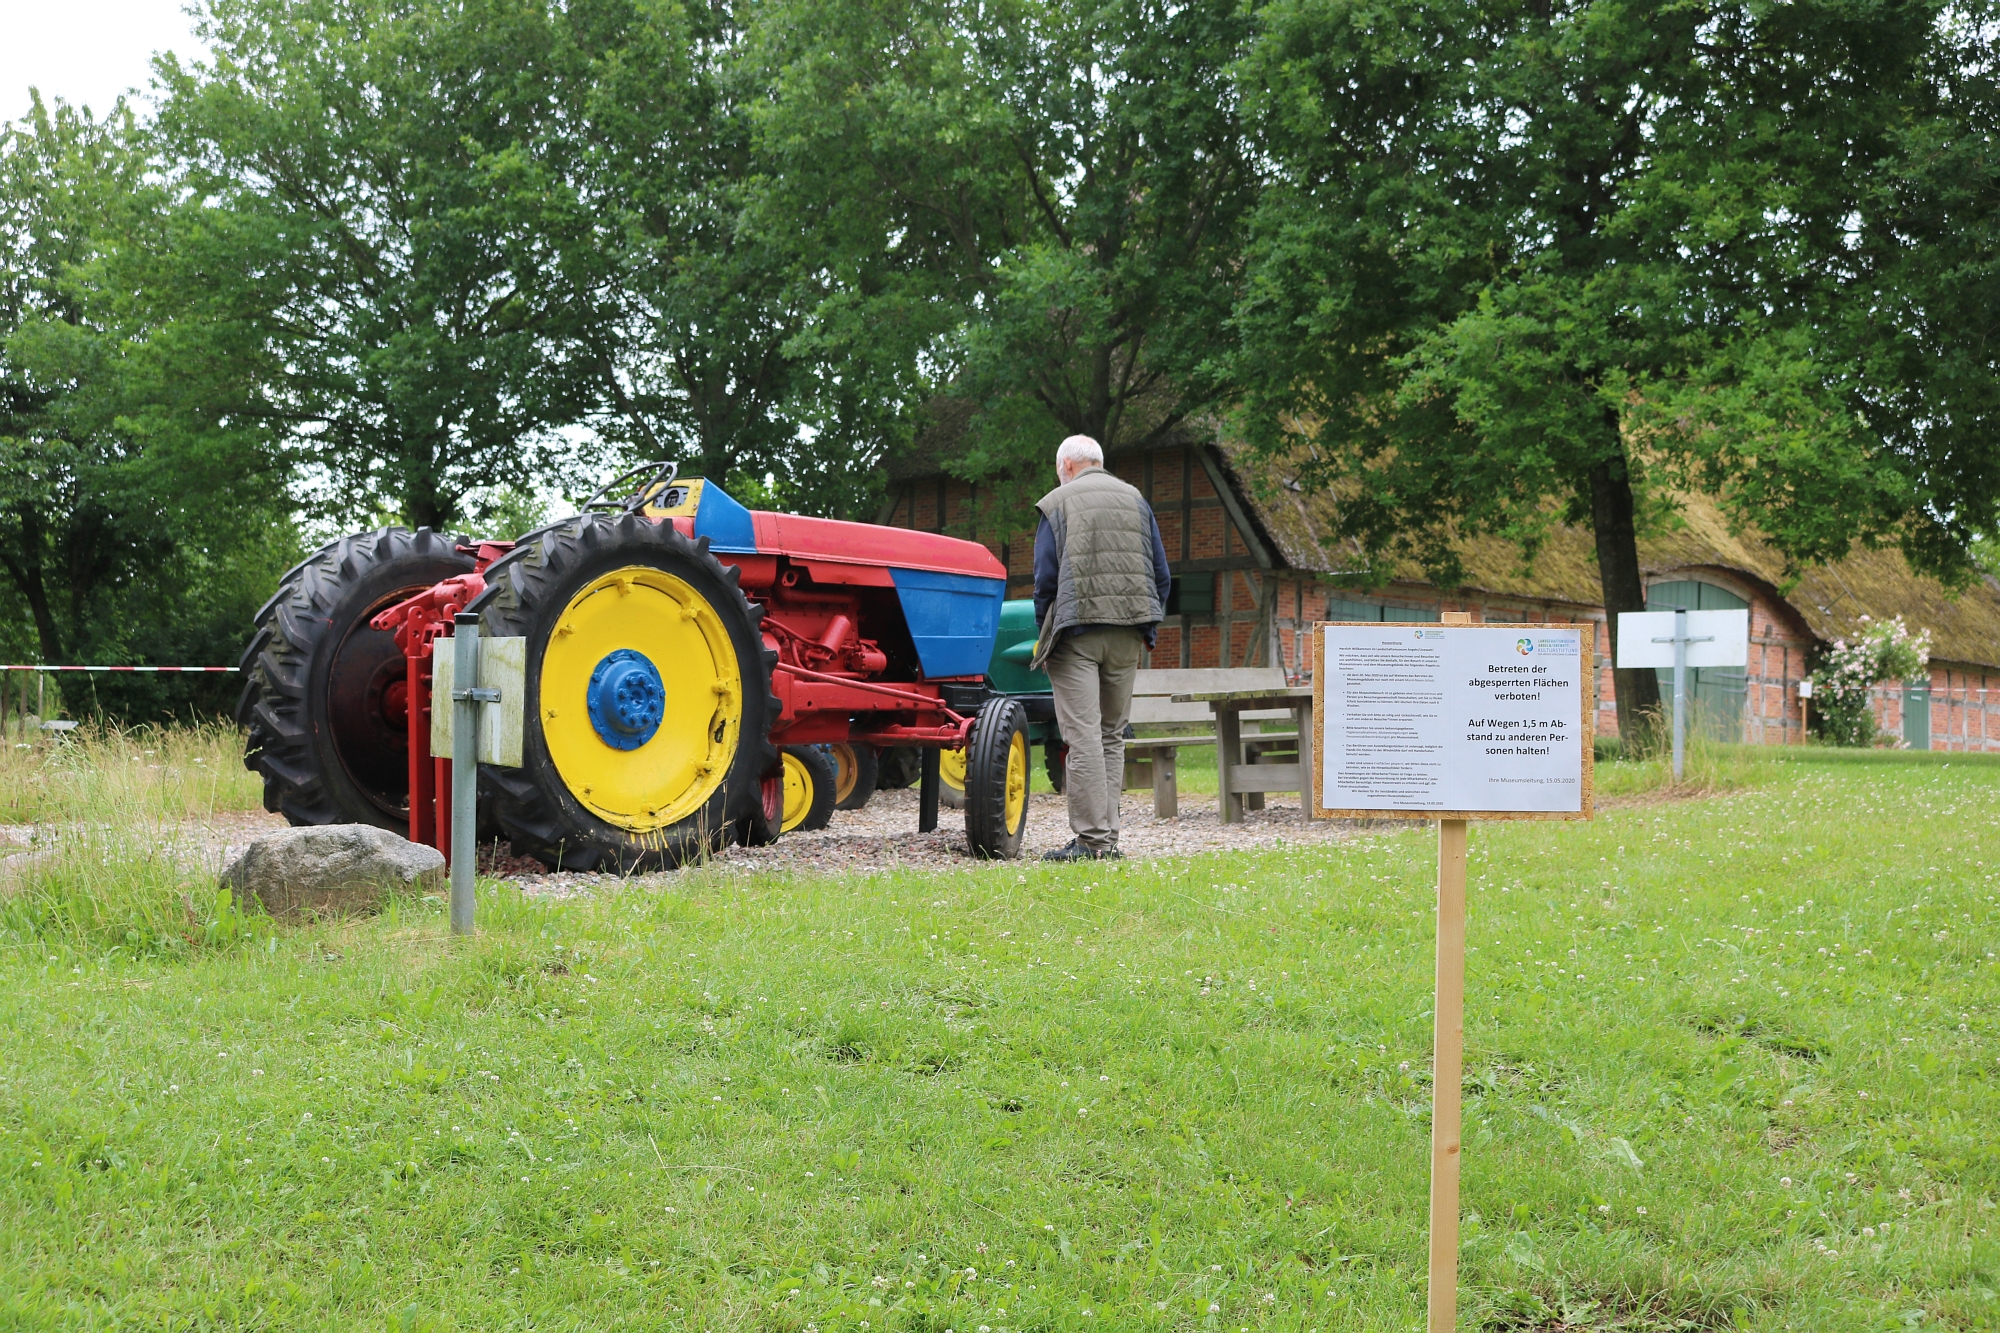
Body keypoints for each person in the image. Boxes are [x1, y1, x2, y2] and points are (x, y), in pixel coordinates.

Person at [1030, 434, 1172, 861]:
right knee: (1111, 735)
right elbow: (1161, 575)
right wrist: (1145, 627)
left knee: (1084, 736)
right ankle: (1107, 842)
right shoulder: (1137, 501)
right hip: (1129, 632)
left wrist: (1045, 631)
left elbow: (1045, 580)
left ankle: (1090, 842)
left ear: (1068, 467)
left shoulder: (1057, 503)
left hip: (1077, 631)